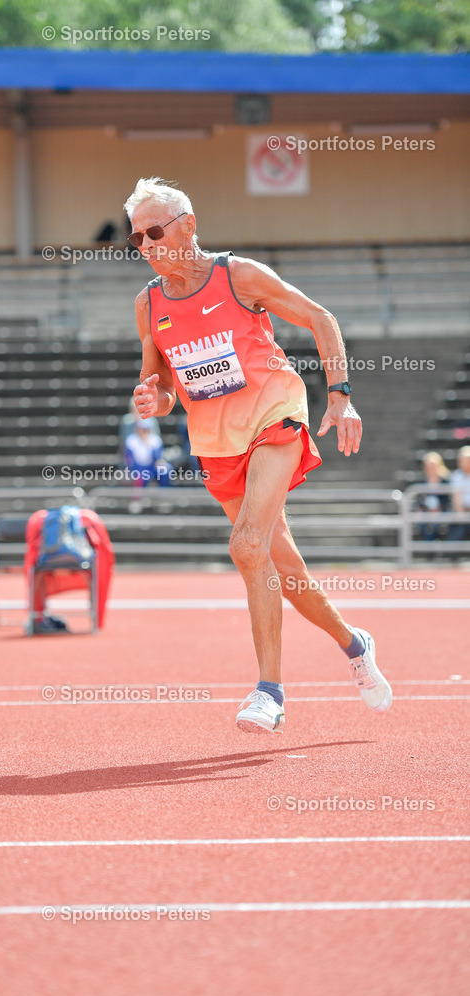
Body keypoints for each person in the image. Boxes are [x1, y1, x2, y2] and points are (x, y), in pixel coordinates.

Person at [125, 176, 392, 734]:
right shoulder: (148, 304)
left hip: (277, 415)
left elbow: (322, 319)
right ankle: (353, 642)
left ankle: (269, 692)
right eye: (137, 239)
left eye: (154, 232)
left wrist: (340, 398)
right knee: (283, 570)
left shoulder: (237, 275)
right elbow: (163, 384)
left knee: (245, 544)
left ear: (188, 226)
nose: (147, 246)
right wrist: (154, 396)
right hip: (217, 444)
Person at [124, 418, 172, 489]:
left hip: (152, 467)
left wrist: (148, 445)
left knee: (166, 470)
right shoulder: (131, 440)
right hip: (137, 467)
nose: (142, 431)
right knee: (140, 476)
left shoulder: (155, 440)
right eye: (140, 429)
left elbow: (158, 458)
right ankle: (139, 497)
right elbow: (129, 458)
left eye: (144, 429)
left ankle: (164, 492)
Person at [416, 452, 451, 543]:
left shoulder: (446, 481)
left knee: (436, 525)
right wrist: (424, 509)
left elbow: (448, 499)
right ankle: (432, 547)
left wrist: (439, 509)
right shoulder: (423, 481)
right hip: (427, 511)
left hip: (442, 511)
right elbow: (420, 499)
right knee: (421, 524)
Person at [448, 446, 470, 543]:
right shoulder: (456, 476)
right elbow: (456, 498)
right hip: (461, 511)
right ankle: (453, 555)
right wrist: (461, 512)